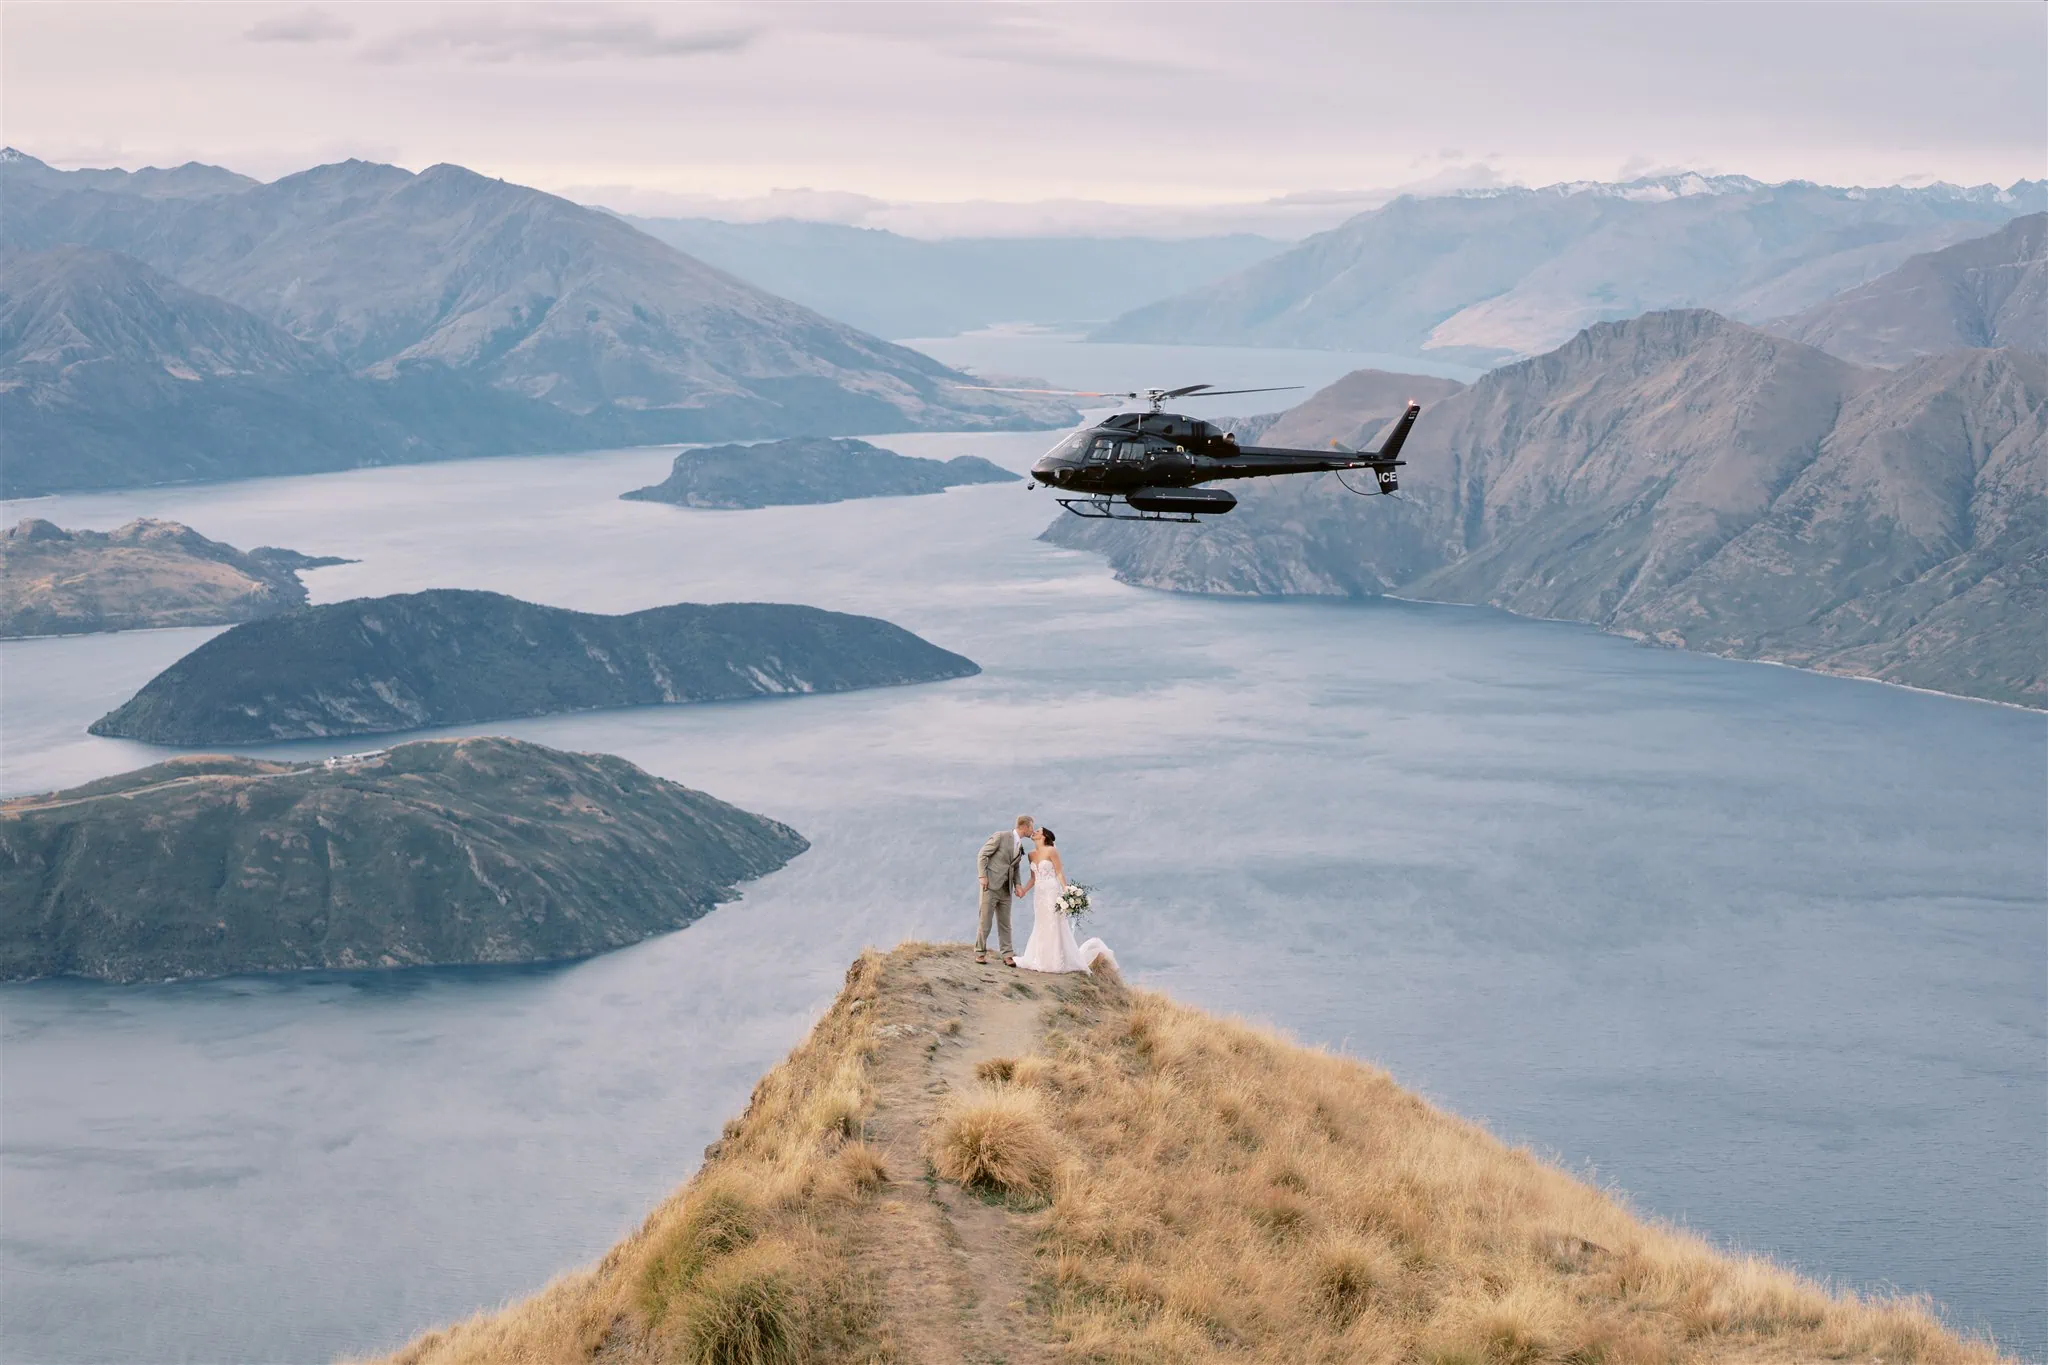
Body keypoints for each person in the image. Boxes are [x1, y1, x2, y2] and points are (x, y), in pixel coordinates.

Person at [1015, 827, 1118, 974]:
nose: (1034, 832)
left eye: (1038, 831)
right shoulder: (1031, 855)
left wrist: (1067, 891)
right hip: (1039, 893)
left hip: (1051, 890)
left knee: (1054, 923)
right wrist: (1024, 890)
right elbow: (1033, 877)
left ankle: (1056, 961)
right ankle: (1040, 958)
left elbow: (1058, 872)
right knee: (1041, 923)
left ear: (1044, 836)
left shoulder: (1051, 851)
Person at [975, 815, 1033, 966]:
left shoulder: (1019, 845)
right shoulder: (1001, 836)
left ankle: (1007, 955)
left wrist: (1018, 885)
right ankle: (980, 953)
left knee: (1005, 923)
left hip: (1006, 889)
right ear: (1024, 826)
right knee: (985, 921)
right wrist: (982, 876)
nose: (1032, 831)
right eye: (1031, 827)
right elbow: (982, 854)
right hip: (990, 886)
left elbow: (1015, 867)